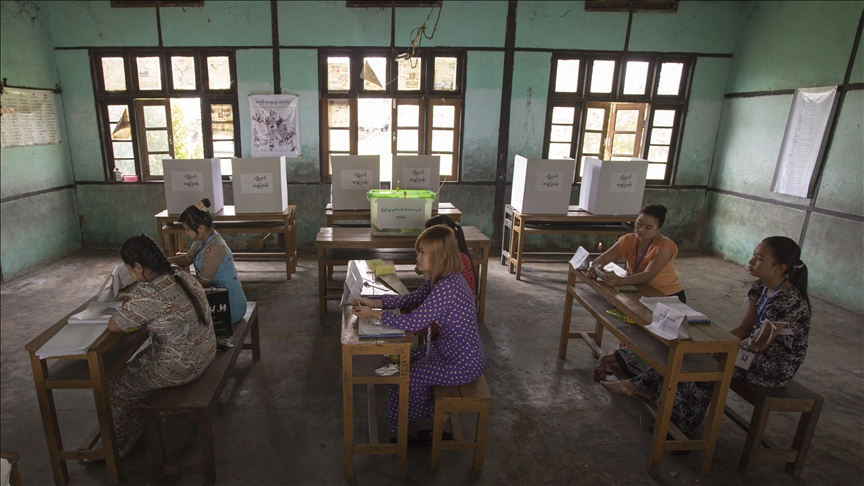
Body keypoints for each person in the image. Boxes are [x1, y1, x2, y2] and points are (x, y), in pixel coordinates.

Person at [600, 236, 812, 438]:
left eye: (759, 258)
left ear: (779, 268)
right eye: (753, 255)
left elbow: (758, 345)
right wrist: (714, 344)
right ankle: (652, 391)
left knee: (705, 364)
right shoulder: (760, 288)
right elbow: (743, 329)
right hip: (751, 354)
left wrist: (718, 350)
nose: (751, 262)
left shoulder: (787, 300)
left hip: (773, 366)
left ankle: (681, 427)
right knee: (697, 351)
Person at [352, 225, 485, 445]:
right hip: (448, 351)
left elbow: (414, 322)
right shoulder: (441, 279)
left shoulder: (447, 287)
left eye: (422, 252)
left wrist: (374, 315)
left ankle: (435, 414)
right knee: (402, 361)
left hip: (463, 363)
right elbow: (410, 300)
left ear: (441, 256)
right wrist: (374, 301)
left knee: (409, 375)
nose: (418, 257)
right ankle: (416, 417)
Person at [103, 234, 216, 460]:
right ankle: (135, 425)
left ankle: (122, 445)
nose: (131, 274)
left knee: (116, 385)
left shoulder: (150, 293)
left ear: (138, 266)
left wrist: (134, 303)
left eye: (130, 269)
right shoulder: (178, 274)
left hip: (184, 366)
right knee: (138, 366)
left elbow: (114, 325)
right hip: (205, 349)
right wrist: (136, 302)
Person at [588, 205, 685, 379]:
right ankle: (624, 362)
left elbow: (648, 275)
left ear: (659, 229)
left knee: (653, 340)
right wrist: (594, 266)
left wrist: (619, 281)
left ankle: (628, 365)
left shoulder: (664, 245)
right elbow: (603, 258)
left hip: (667, 298)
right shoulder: (629, 240)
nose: (641, 230)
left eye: (649, 227)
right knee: (634, 330)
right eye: (639, 223)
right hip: (640, 293)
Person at [168, 198, 248, 324]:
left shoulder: (214, 247)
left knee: (180, 319)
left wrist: (177, 273)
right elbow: (186, 259)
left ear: (201, 228)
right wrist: (163, 261)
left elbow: (204, 282)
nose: (185, 233)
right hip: (217, 296)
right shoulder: (203, 239)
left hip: (229, 304)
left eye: (188, 230)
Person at [414, 215, 477, 345]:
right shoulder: (452, 257)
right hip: (447, 314)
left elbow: (430, 293)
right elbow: (425, 292)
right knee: (408, 313)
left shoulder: (455, 264)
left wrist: (426, 270)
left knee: (409, 320)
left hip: (448, 321)